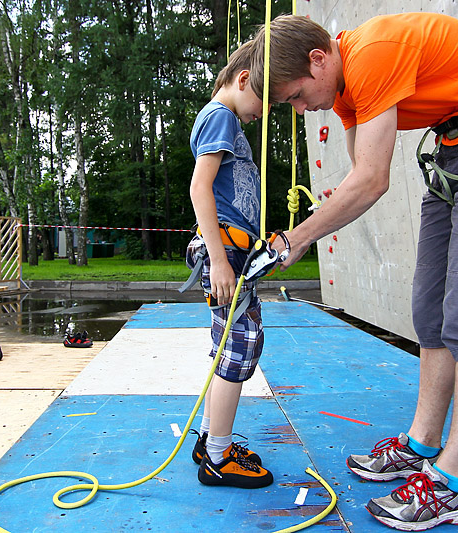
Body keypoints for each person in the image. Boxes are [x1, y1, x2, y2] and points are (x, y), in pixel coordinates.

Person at [250, 13, 458, 530]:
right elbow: (358, 179)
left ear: (318, 59)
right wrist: (296, 235)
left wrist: (293, 240)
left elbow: (372, 180)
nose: (300, 108)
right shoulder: (344, 91)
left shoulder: (373, 54)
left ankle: (453, 484)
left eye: (296, 95)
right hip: (455, 148)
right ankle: (422, 445)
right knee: (429, 308)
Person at [184, 40, 273, 489]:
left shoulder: (223, 118)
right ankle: (218, 458)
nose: (263, 113)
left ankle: (209, 441)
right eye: (263, 101)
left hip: (235, 249)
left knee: (231, 344)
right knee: (239, 345)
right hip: (225, 251)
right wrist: (220, 261)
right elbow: (201, 188)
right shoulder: (221, 116)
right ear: (243, 80)